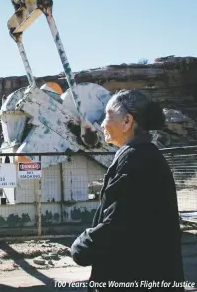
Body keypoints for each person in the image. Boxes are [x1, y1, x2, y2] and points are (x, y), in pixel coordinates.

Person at [71, 89, 185, 291]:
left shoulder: (135, 159)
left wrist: (83, 245)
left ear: (127, 122)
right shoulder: (143, 155)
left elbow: (120, 222)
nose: (102, 124)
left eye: (107, 116)